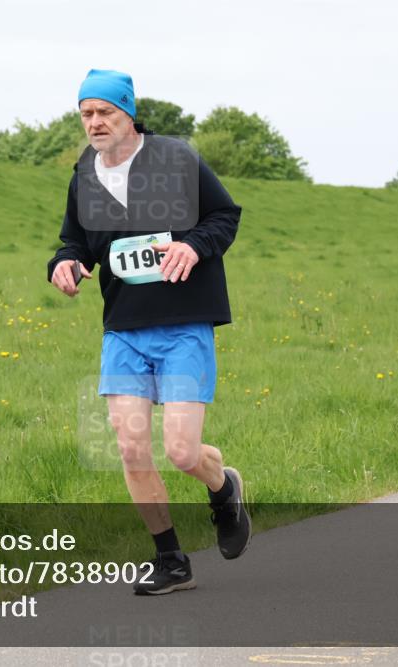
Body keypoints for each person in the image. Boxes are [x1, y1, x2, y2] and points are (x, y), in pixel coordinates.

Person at [48, 69, 251, 595]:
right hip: (124, 328)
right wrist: (64, 264)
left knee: (183, 452)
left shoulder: (175, 159)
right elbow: (74, 241)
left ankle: (223, 487)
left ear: (128, 113)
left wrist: (193, 246)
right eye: (86, 114)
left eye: (105, 113)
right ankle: (171, 560)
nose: (94, 123)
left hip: (183, 325)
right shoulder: (85, 175)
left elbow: (224, 215)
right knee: (131, 447)